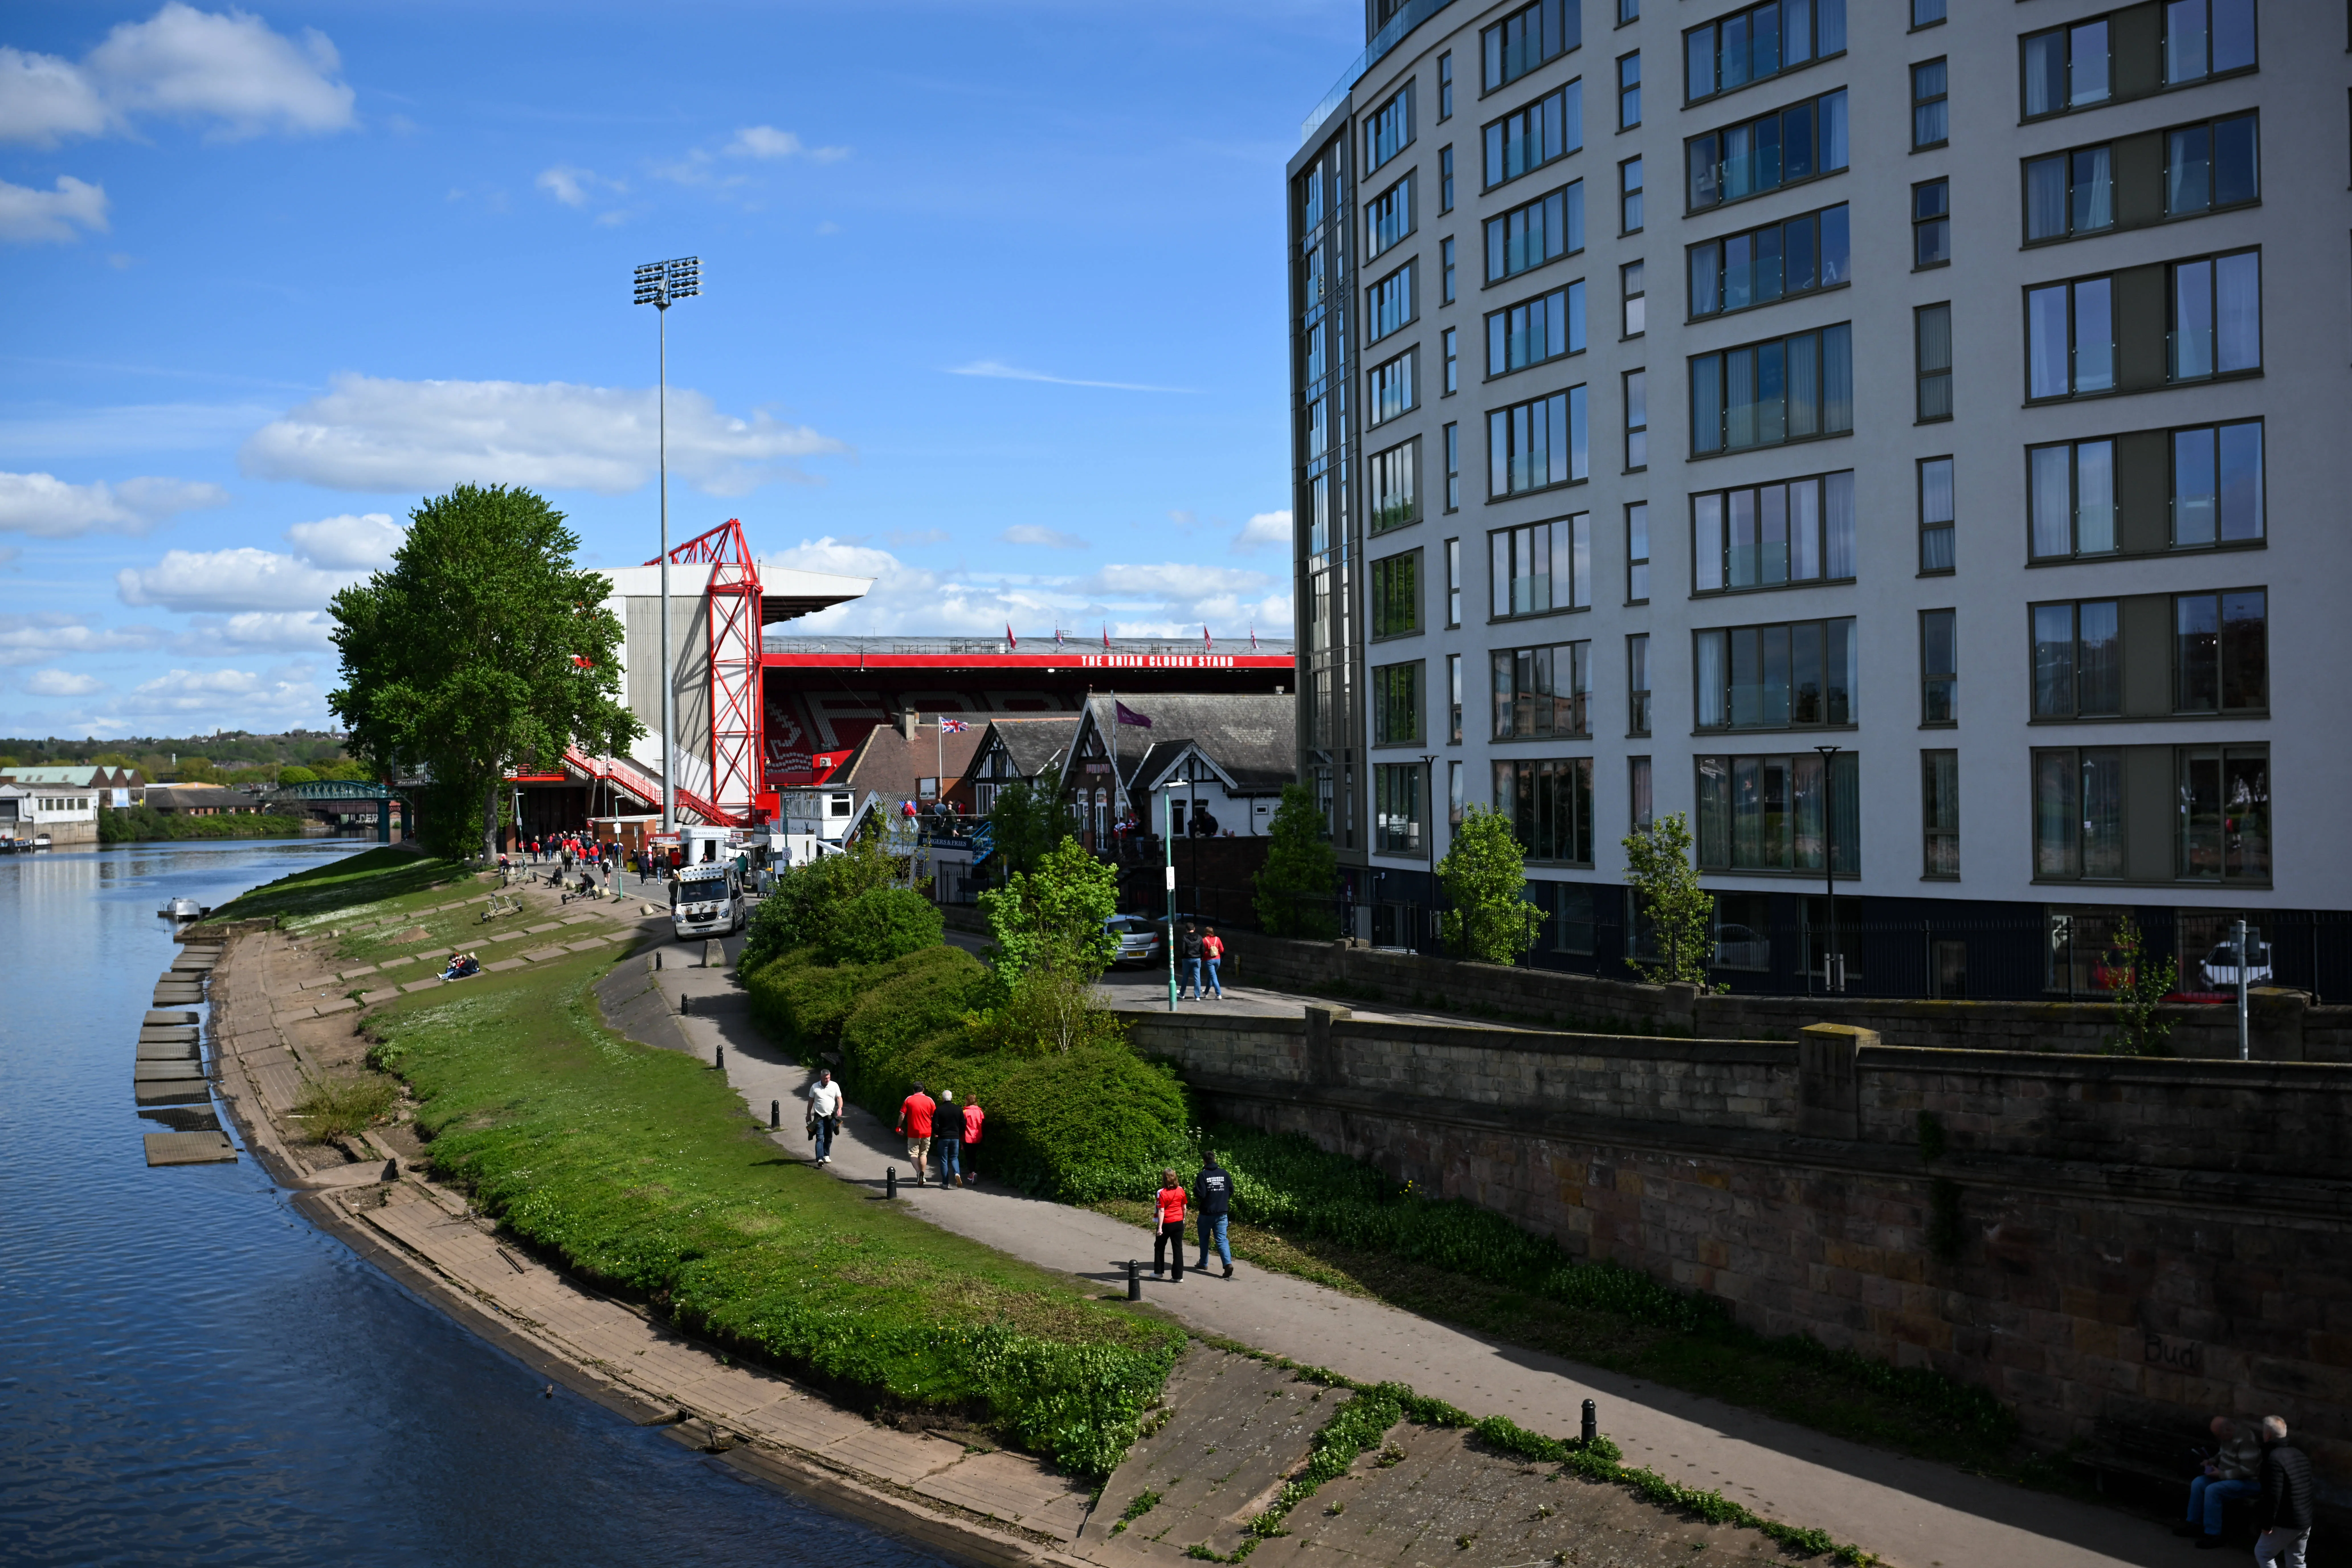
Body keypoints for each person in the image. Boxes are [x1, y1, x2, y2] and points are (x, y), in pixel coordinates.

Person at [2179, 1415, 2263, 1544]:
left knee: (2214, 1490)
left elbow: (2248, 1471)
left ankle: (2213, 1534)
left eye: (2219, 1435)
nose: (2219, 1439)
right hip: (2226, 1476)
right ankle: (2194, 1524)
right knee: (2198, 1483)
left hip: (2249, 1482)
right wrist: (2211, 1461)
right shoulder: (2228, 1435)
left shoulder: (2246, 1440)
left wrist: (2221, 1474)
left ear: (2228, 1431)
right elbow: (2223, 1453)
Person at [2253, 1415, 2313, 1567]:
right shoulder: (2300, 1455)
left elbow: (2273, 1496)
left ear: (2267, 1435)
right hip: (2305, 1520)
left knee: (2264, 1553)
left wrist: (2267, 1525)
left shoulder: (2273, 1460)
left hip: (2287, 1521)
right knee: (2297, 1559)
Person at [1195, 1150, 1234, 1278]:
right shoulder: (1224, 1173)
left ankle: (1204, 1263)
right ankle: (1228, 1264)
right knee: (1222, 1239)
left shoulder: (1203, 1175)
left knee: (1204, 1238)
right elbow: (1231, 1190)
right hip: (1222, 1213)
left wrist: (1196, 1191)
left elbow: (1201, 1194)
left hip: (1207, 1213)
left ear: (1204, 1161)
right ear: (1215, 1160)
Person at [897, 1081, 936, 1186]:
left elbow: (902, 1115)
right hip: (927, 1131)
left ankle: (919, 1173)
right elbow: (935, 1117)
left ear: (914, 1090)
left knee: (913, 1153)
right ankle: (923, 1176)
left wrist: (899, 1127)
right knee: (924, 1154)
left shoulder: (909, 1100)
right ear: (923, 1089)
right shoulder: (930, 1101)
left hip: (913, 1131)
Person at [1151, 1168, 1187, 1280]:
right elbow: (1184, 1207)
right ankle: (1178, 1276)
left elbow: (1161, 1211)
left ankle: (1158, 1272)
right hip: (1179, 1222)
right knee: (1178, 1249)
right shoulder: (1181, 1190)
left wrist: (1160, 1228)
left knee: (1159, 1247)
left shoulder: (1162, 1193)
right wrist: (1183, 1219)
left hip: (1167, 1223)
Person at [806, 1068, 842, 1165]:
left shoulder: (834, 1086)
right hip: (819, 1118)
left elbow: (839, 1098)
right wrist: (809, 1114)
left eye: (829, 1078)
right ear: (821, 1078)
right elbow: (811, 1102)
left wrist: (840, 1108)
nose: (828, 1080)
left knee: (829, 1137)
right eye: (826, 1078)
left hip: (830, 1117)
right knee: (820, 1137)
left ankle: (826, 1155)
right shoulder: (815, 1087)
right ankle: (820, 1158)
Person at [934, 1089, 962, 1187]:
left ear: (943, 1099)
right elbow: (963, 1123)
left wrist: (937, 1133)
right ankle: (957, 1173)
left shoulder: (939, 1110)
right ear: (952, 1098)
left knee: (944, 1160)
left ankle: (946, 1183)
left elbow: (935, 1125)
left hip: (944, 1137)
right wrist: (960, 1133)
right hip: (955, 1137)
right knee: (955, 1157)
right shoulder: (958, 1109)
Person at [958, 1095, 983, 1187]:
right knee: (974, 1156)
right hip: (977, 1137)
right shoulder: (980, 1112)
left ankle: (972, 1173)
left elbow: (962, 1125)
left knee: (969, 1157)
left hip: (967, 1137)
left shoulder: (965, 1112)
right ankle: (973, 1172)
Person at [1179, 921, 1204, 1000]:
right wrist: (1201, 957)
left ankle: (1182, 994)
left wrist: (1183, 957)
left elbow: (1183, 949)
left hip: (1187, 959)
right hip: (1197, 959)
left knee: (1185, 977)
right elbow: (1203, 949)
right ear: (1194, 929)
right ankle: (1197, 996)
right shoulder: (1200, 937)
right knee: (1197, 978)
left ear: (1186, 929)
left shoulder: (1185, 937)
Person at [1201, 926, 1226, 1000]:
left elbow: (1202, 952)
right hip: (1218, 960)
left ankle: (1219, 994)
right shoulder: (1217, 939)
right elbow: (1222, 950)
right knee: (1211, 976)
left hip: (1209, 961)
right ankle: (1206, 993)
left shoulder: (1204, 940)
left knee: (1214, 977)